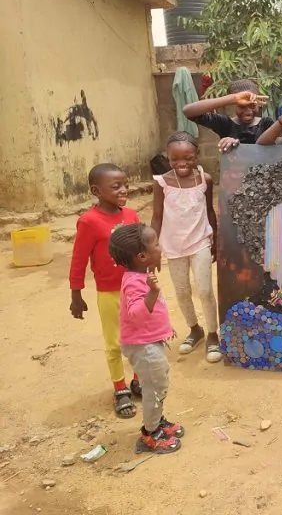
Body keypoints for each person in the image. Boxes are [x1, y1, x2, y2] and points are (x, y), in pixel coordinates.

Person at [69, 164, 141, 419]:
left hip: (135, 288)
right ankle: (120, 388)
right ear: (96, 191)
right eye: (116, 186)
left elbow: (141, 249)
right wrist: (76, 295)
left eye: (126, 185)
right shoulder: (89, 221)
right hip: (110, 292)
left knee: (139, 337)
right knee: (115, 342)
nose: (124, 190)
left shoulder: (131, 215)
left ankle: (138, 379)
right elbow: (79, 259)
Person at [109, 223, 183, 454]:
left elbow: (154, 312)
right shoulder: (135, 282)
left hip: (149, 342)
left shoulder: (142, 274)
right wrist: (153, 292)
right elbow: (136, 315)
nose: (160, 248)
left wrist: (165, 328)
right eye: (156, 244)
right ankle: (151, 433)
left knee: (157, 385)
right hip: (143, 347)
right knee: (154, 388)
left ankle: (157, 421)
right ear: (142, 256)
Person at [151, 132, 221, 363]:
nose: (182, 163)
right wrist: (152, 248)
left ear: (196, 156)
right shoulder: (161, 183)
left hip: (200, 242)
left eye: (188, 158)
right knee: (182, 291)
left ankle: (213, 334)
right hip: (173, 246)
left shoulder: (204, 179)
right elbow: (157, 216)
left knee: (205, 290)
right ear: (168, 158)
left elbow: (209, 211)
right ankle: (194, 329)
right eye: (175, 159)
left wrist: (215, 239)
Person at [182, 78, 271, 153]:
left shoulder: (266, 123)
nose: (248, 112)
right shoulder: (225, 124)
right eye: (242, 106)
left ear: (258, 104)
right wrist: (233, 98)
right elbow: (188, 112)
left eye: (252, 106)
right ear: (233, 105)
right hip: (234, 168)